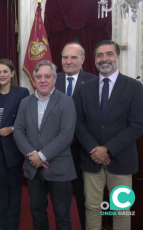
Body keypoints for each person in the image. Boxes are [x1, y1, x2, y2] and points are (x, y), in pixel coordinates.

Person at [73, 40, 143, 230]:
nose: (105, 59)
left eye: (109, 54)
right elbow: (77, 122)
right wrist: (94, 150)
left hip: (121, 160)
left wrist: (108, 150)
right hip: (91, 160)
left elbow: (137, 125)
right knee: (92, 208)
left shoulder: (135, 88)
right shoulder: (83, 89)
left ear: (117, 57)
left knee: (121, 210)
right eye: (100, 55)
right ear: (94, 59)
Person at [14, 60, 77, 230]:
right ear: (34, 79)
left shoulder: (66, 102)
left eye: (47, 76)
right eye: (39, 76)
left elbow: (66, 135)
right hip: (33, 169)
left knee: (62, 215)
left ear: (55, 79)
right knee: (37, 212)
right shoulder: (25, 103)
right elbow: (18, 131)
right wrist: (33, 155)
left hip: (59, 168)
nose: (43, 80)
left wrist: (41, 156)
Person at [55, 42, 96, 230]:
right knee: (60, 202)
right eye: (65, 57)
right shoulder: (51, 80)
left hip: (84, 151)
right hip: (58, 152)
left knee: (84, 199)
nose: (68, 61)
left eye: (73, 57)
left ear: (83, 59)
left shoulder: (94, 82)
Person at [0, 59, 29, 230]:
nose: (2, 75)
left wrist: (12, 128)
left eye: (5, 71)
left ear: (12, 73)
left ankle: (13, 225)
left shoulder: (22, 92)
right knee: (1, 187)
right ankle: (2, 225)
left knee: (15, 187)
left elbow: (26, 118)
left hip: (14, 148)